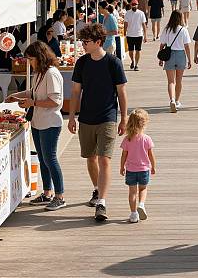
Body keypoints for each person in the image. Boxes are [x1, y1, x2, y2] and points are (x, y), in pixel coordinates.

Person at [68, 24, 128, 222]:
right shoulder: (82, 63)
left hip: (108, 117)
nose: (83, 45)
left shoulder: (113, 62)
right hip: (86, 117)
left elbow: (121, 92)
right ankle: (96, 189)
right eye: (82, 41)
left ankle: (102, 202)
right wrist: (71, 117)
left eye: (86, 42)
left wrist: (124, 117)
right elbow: (76, 91)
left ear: (98, 42)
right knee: (91, 158)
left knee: (104, 159)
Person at [7, 41, 65, 211]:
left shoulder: (51, 74)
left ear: (39, 58)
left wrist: (33, 102)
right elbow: (32, 92)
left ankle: (60, 195)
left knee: (50, 159)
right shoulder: (39, 73)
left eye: (31, 59)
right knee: (42, 159)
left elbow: (55, 101)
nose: (30, 63)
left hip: (50, 122)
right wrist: (15, 96)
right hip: (39, 122)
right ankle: (47, 193)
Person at [120, 109, 156, 223]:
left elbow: (123, 155)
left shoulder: (127, 139)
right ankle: (141, 204)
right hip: (144, 169)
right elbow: (151, 155)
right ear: (144, 123)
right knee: (143, 188)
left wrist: (122, 167)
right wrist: (153, 166)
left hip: (130, 169)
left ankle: (133, 214)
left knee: (132, 192)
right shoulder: (146, 139)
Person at [158, 10, 192, 113]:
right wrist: (189, 59)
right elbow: (187, 46)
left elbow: (162, 44)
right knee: (179, 80)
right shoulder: (183, 29)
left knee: (171, 81)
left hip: (169, 55)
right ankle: (177, 101)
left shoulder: (167, 29)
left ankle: (172, 99)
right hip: (181, 55)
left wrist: (160, 58)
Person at [124, 0, 147, 71]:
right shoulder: (127, 13)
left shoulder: (141, 13)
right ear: (131, 5)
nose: (134, 6)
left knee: (138, 50)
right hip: (130, 34)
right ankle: (132, 61)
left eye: (135, 4)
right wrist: (125, 32)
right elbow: (125, 24)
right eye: (133, 4)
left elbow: (144, 25)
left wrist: (145, 35)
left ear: (137, 5)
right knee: (130, 51)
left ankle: (136, 64)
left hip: (139, 34)